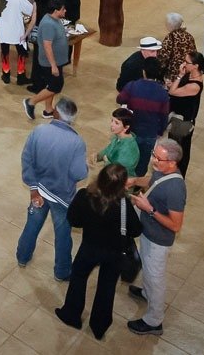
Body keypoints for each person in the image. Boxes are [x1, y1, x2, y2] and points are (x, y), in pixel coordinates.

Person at [56, 163, 141, 339]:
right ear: (122, 184)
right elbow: (136, 230)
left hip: (90, 247)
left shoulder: (84, 196)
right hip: (114, 252)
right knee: (107, 287)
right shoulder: (124, 205)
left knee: (78, 277)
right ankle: (99, 326)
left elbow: (74, 220)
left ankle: (71, 314)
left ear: (100, 177)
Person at [15, 97, 87, 281]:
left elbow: (26, 159)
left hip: (38, 191)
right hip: (62, 198)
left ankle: (22, 257)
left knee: (32, 225)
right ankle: (62, 272)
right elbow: (79, 173)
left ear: (56, 112)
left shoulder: (39, 131)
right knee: (62, 235)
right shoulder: (77, 142)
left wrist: (33, 187)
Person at [126, 139, 187, 336]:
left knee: (155, 278)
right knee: (147, 267)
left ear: (172, 163)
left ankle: (154, 321)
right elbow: (152, 180)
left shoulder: (176, 189)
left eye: (158, 158)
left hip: (158, 241)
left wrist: (149, 209)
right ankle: (146, 292)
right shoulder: (162, 170)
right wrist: (135, 181)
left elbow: (176, 225)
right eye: (154, 155)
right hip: (148, 231)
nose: (153, 160)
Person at [117, 60, 170, 176]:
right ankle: (137, 183)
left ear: (143, 71)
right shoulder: (163, 93)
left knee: (126, 159)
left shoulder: (132, 86)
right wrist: (160, 131)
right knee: (142, 163)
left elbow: (120, 99)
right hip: (149, 133)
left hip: (132, 131)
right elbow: (164, 116)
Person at [24, 0, 70, 121]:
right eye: (63, 9)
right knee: (56, 86)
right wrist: (53, 65)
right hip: (50, 62)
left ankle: (48, 110)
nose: (65, 11)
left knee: (51, 85)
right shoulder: (48, 24)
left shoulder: (54, 19)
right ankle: (31, 102)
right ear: (55, 11)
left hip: (57, 61)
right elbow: (47, 46)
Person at [0, 0, 35, 86]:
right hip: (16, 30)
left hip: (2, 29)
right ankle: (21, 75)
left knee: (4, 51)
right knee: (21, 52)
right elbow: (30, 10)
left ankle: (6, 74)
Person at [167, 51, 204, 175]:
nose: (184, 64)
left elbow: (172, 92)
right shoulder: (190, 74)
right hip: (177, 117)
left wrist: (179, 76)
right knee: (175, 147)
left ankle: (177, 174)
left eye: (187, 62)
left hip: (183, 122)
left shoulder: (195, 85)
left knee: (178, 150)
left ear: (196, 66)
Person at [95, 108, 140, 173]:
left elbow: (118, 172)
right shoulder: (117, 137)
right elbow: (108, 150)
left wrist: (106, 161)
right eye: (112, 120)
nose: (111, 125)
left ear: (126, 127)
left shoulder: (128, 149)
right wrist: (97, 156)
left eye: (116, 123)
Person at [157, 13, 196, 83]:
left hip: (173, 71)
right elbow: (194, 53)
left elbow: (163, 56)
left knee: (172, 87)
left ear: (170, 25)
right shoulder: (189, 36)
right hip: (186, 69)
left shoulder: (170, 37)